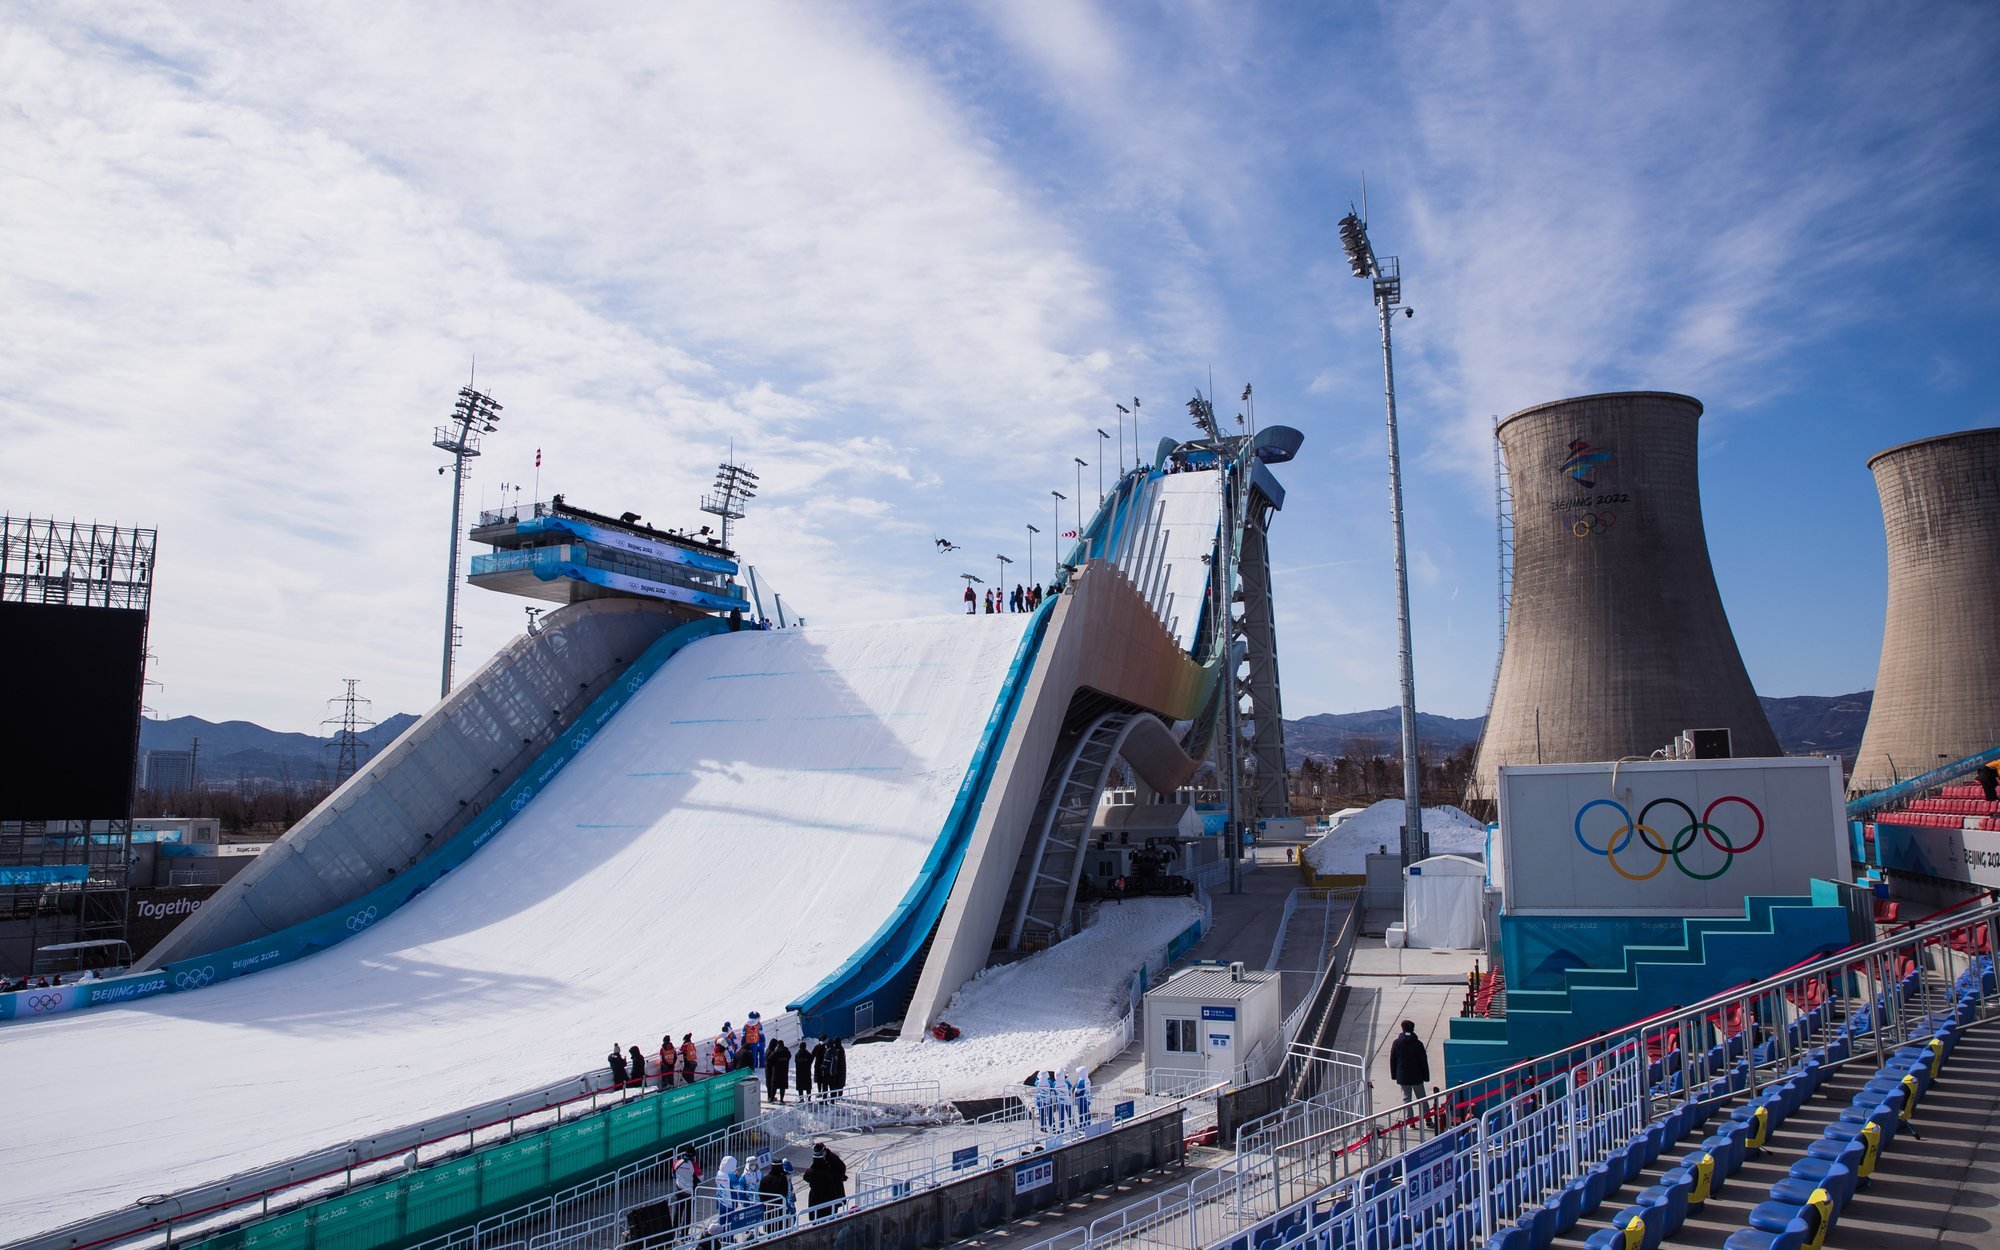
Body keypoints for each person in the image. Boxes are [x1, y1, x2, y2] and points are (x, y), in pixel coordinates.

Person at [1389, 1019, 1431, 1105]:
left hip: (1403, 1076)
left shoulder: (1396, 1043)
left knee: (1406, 1099)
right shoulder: (1418, 1044)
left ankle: (1408, 1118)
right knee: (1422, 1098)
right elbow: (1423, 1061)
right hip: (1417, 1076)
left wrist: (1394, 1075)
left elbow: (1393, 1060)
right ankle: (1427, 1117)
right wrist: (1426, 1076)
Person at [802, 1141, 847, 1220]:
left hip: (833, 1189)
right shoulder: (818, 1163)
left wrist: (836, 1177)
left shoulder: (832, 1158)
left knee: (831, 1212)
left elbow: (842, 1168)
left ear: (824, 1151)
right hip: (823, 1194)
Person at [758, 1157, 794, 1229]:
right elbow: (784, 1193)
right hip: (780, 1208)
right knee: (780, 1229)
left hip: (768, 1208)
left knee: (769, 1228)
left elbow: (761, 1193)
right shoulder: (783, 1179)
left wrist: (766, 1203)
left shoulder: (765, 1179)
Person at [670, 1145, 700, 1231]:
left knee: (677, 1213)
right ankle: (684, 1235)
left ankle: (673, 1233)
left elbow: (673, 1175)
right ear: (693, 1155)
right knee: (688, 1215)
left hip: (679, 1191)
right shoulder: (694, 1165)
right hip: (690, 1193)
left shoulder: (677, 1163)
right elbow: (701, 1178)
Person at [765, 1037, 791, 1102]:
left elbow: (769, 1060)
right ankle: (781, 1099)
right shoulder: (787, 1052)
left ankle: (771, 1098)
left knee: (774, 1085)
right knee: (782, 1087)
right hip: (784, 1072)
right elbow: (789, 1057)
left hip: (775, 1072)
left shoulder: (775, 1052)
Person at [795, 1036, 817, 1102]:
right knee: (808, 1087)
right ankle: (809, 1098)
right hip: (807, 1072)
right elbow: (811, 1061)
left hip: (799, 1073)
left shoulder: (797, 1054)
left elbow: (796, 1061)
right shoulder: (808, 1054)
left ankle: (801, 1099)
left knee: (800, 1087)